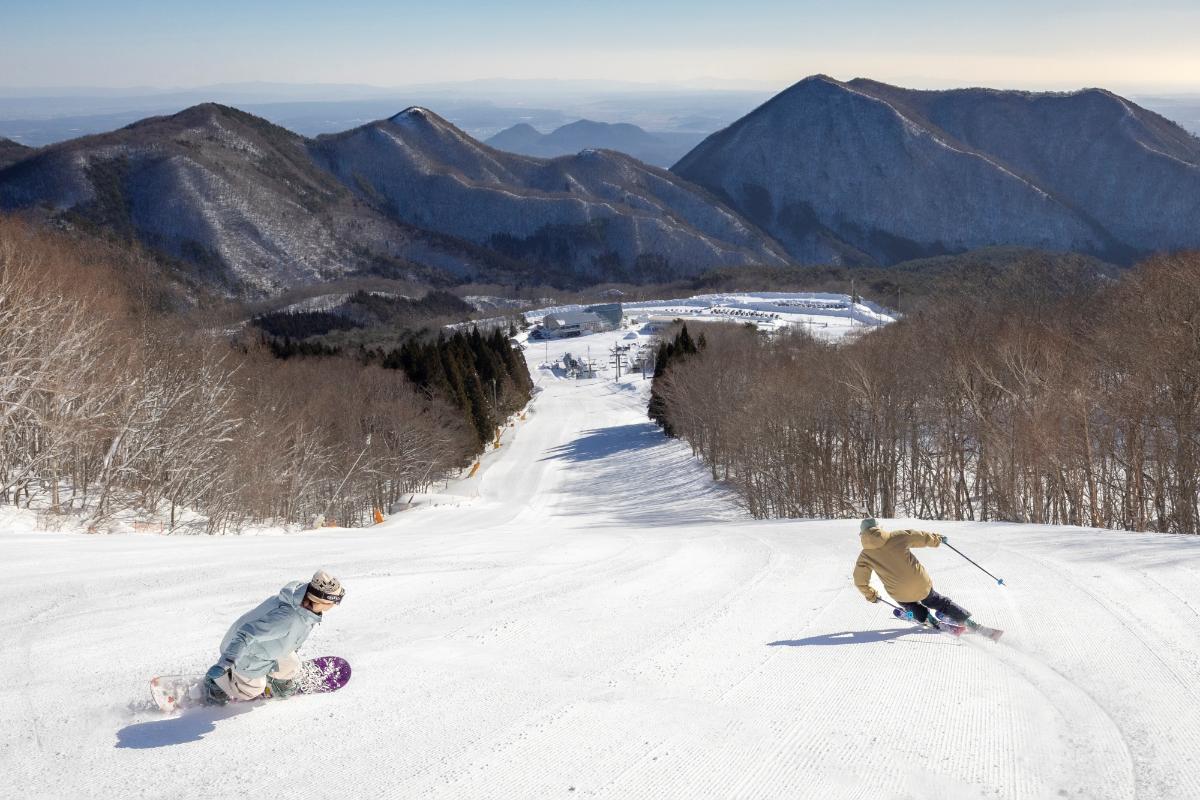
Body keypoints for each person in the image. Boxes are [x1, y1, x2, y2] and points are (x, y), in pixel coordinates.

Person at [203, 569, 345, 705]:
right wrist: (226, 662)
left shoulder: (302, 603)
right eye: (335, 601)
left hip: (265, 647)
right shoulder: (288, 618)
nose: (335, 604)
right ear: (321, 601)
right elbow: (246, 634)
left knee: (292, 664)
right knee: (252, 690)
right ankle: (218, 684)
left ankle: (277, 682)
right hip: (246, 655)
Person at [852, 518, 974, 629]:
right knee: (935, 600)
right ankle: (966, 621)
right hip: (921, 583)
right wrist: (937, 539)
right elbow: (920, 537)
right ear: (879, 528)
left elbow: (859, 581)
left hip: (898, 592)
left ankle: (925, 617)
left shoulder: (865, 556)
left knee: (908, 603)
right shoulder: (897, 537)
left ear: (862, 534)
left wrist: (872, 596)